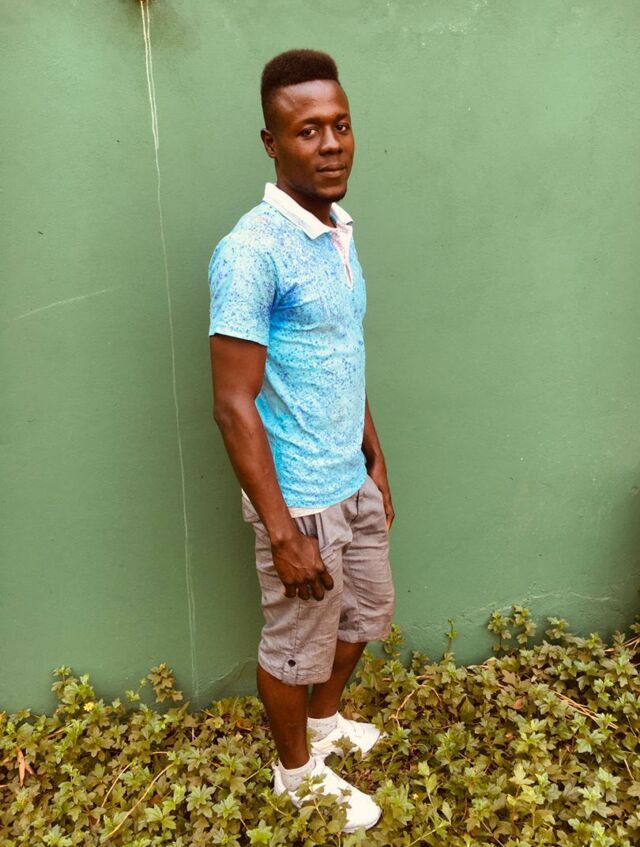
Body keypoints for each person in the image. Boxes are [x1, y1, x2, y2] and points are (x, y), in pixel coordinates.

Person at [208, 48, 396, 832]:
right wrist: (282, 529)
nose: (330, 144)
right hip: (301, 500)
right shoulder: (251, 251)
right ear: (271, 141)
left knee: (367, 614)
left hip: (351, 478)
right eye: (307, 129)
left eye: (340, 125)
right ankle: (295, 774)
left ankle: (324, 723)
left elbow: (342, 355)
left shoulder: (338, 231)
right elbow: (232, 404)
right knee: (294, 645)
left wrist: (375, 459)